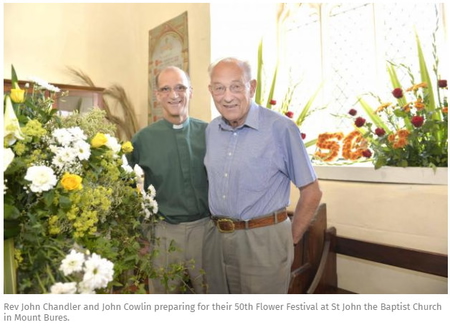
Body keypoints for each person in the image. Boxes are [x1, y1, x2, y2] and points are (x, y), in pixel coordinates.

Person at [203, 57, 322, 294]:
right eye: (219, 88)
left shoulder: (281, 128)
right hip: (218, 240)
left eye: (236, 86)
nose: (227, 96)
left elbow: (312, 192)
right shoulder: (211, 130)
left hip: (263, 242)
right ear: (211, 91)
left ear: (252, 87)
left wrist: (291, 239)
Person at [128, 66, 210, 293]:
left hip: (206, 232)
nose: (174, 95)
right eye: (166, 89)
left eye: (180, 87)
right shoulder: (143, 139)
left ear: (191, 91)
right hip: (163, 233)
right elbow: (123, 186)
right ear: (158, 95)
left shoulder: (210, 132)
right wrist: (138, 235)